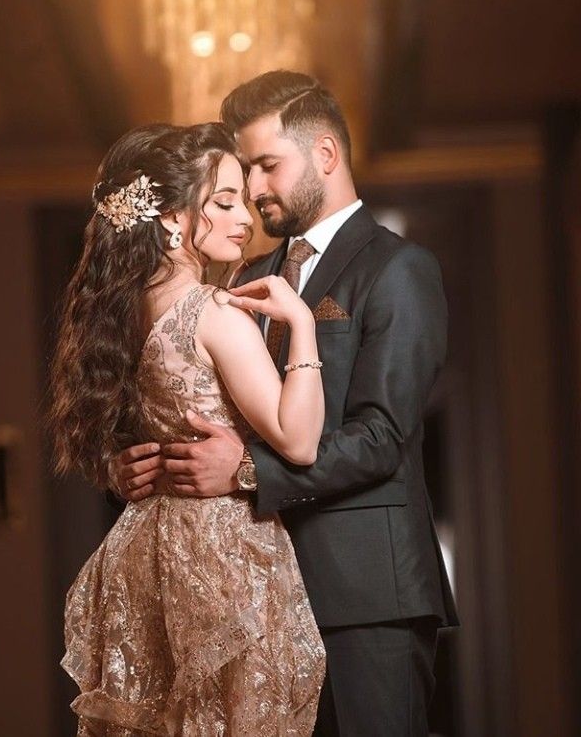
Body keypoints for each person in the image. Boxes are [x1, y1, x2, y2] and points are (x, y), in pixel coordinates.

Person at [113, 72, 460, 737]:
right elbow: (198, 396)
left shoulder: (398, 268)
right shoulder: (242, 275)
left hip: (366, 596)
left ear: (325, 155)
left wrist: (248, 470)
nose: (254, 188)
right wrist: (140, 464)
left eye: (267, 165)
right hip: (250, 597)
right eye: (244, 172)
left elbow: (382, 436)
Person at [49, 121, 326, 736]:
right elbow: (300, 440)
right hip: (224, 553)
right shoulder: (213, 312)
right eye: (223, 203)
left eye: (243, 203)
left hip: (149, 549)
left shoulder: (124, 311)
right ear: (172, 218)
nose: (243, 219)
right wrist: (302, 326)